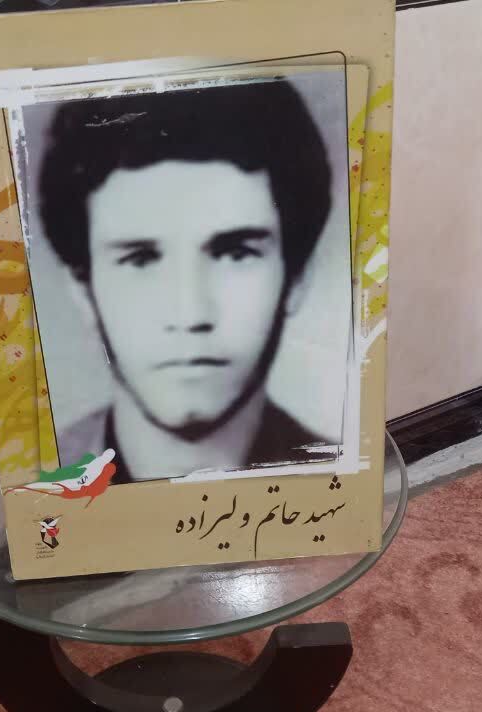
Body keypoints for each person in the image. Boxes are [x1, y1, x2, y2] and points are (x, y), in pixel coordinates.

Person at [37, 77, 337, 482]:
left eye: (236, 253)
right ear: (83, 290)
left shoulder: (341, 483)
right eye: (140, 259)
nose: (190, 314)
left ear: (297, 277)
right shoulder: (36, 493)